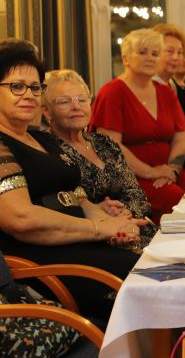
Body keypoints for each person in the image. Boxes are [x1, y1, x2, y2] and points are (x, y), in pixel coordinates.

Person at [0, 43, 144, 319]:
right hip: (40, 267)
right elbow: (21, 220)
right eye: (17, 87)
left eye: (35, 87)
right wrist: (99, 229)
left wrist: (113, 223)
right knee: (149, 281)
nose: (29, 95)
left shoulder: (39, 137)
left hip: (74, 245)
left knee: (156, 259)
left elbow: (77, 196)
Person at [43, 69, 158, 248]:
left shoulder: (104, 142)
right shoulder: (47, 150)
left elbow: (136, 193)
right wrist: (109, 221)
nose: (76, 106)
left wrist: (126, 214)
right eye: (65, 101)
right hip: (93, 240)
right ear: (46, 111)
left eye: (82, 99)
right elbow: (65, 208)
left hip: (135, 227)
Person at [90, 28, 185, 221]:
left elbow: (180, 137)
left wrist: (172, 170)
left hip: (168, 172)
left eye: (155, 53)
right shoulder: (111, 93)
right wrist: (150, 172)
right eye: (143, 52)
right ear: (125, 58)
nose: (150, 58)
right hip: (131, 178)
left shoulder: (165, 92)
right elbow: (110, 146)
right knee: (178, 200)